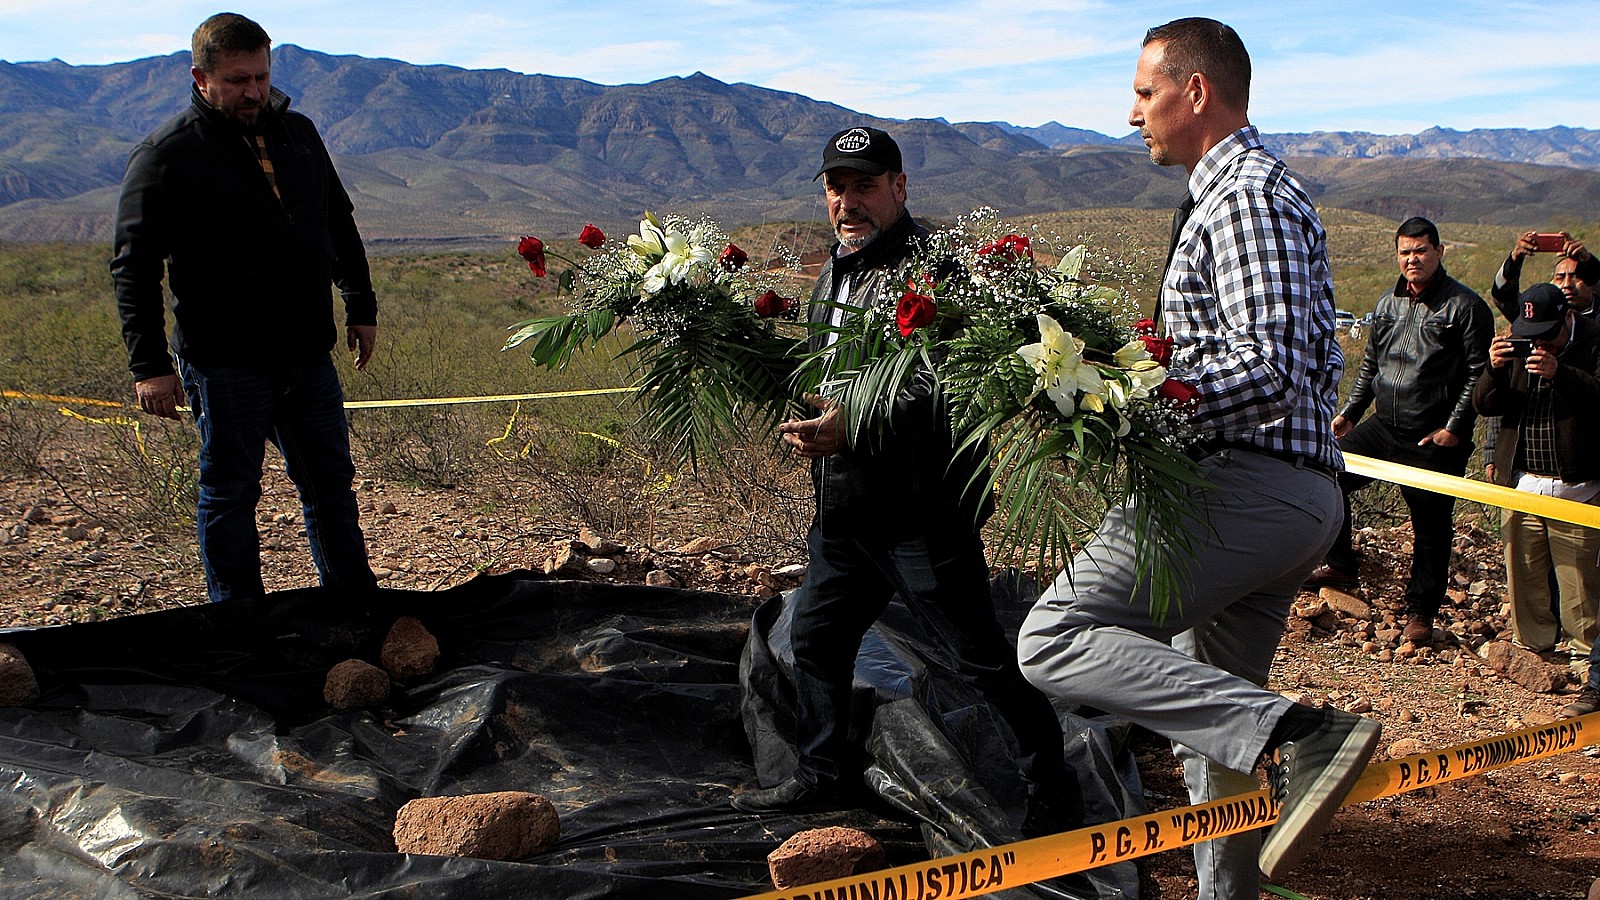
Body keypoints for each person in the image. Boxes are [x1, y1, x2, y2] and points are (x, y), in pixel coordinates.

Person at [1015, 18, 1379, 898]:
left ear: (1197, 92)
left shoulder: (1247, 196)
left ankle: (1304, 735)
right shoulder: (1228, 196)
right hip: (1273, 497)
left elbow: (1274, 365)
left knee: (1050, 638)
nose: (1132, 112)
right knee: (1213, 731)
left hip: (1243, 488)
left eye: (1145, 93)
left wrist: (1124, 398)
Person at [729, 127, 1077, 833]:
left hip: (921, 511)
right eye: (836, 187)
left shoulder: (936, 274)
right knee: (819, 640)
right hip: (844, 511)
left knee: (976, 660)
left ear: (899, 186)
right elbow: (830, 375)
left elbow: (944, 388)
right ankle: (822, 775)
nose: (847, 201)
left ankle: (1054, 794)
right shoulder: (834, 271)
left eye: (864, 185)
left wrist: (851, 424)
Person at [111, 13, 378, 603]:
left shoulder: (299, 133)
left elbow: (337, 221)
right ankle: (239, 626)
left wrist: (360, 303)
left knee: (331, 483)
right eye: (236, 80)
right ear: (200, 78)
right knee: (231, 493)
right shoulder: (167, 154)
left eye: (260, 76)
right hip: (225, 358)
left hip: (306, 352)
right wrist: (148, 365)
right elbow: (133, 266)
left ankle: (355, 604)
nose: (253, 91)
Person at [1304, 217, 1494, 645]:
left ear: (1439, 252)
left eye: (1421, 251)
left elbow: (1477, 374)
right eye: (1406, 252)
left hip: (1432, 436)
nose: (1413, 259)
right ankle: (1342, 565)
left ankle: (1422, 611)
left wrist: (1455, 429)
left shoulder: (1465, 307)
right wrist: (1351, 412)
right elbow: (1372, 363)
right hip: (1383, 428)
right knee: (1327, 475)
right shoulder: (1388, 304)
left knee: (1430, 525)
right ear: (1397, 256)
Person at [1473, 284, 1600, 678]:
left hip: (1578, 487)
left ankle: (1586, 659)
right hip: (1524, 481)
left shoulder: (1595, 341)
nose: (1539, 344)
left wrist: (1561, 374)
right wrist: (1493, 368)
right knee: (1523, 570)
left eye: (1548, 336)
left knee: (1578, 578)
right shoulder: (1519, 345)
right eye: (1532, 336)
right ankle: (1533, 648)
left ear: (1568, 318)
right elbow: (1486, 405)